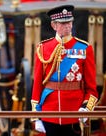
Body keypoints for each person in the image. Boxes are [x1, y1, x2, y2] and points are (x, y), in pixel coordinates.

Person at [31, 5, 98, 136]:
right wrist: (36, 115)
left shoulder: (84, 48)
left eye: (69, 22)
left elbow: (92, 88)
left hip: (75, 113)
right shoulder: (42, 48)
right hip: (49, 112)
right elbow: (37, 84)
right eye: (63, 23)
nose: (68, 26)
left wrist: (86, 108)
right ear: (53, 25)